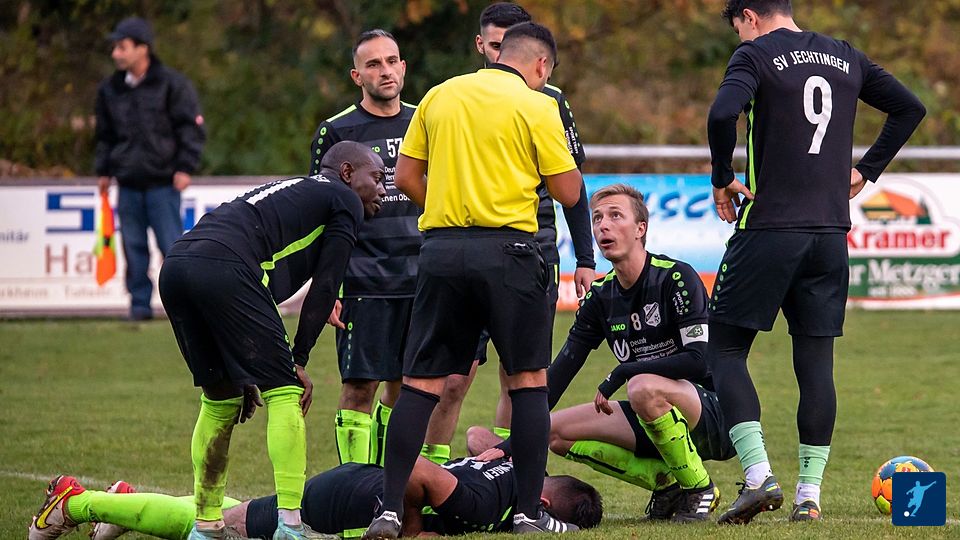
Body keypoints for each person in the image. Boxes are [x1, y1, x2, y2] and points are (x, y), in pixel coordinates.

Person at [706, 0, 926, 524]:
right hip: (829, 234)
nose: (741, 39)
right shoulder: (845, 55)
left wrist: (721, 176)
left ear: (750, 16)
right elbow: (910, 108)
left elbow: (721, 114)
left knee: (726, 348)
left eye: (739, 29)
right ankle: (809, 496)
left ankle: (759, 477)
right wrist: (868, 170)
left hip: (768, 228)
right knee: (815, 362)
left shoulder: (755, 55)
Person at [362, 22, 583, 539]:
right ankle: (527, 514)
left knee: (420, 386)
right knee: (528, 384)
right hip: (510, 254)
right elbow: (569, 192)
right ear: (541, 65)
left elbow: (407, 177)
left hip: (441, 252)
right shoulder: (537, 105)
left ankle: (388, 510)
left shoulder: (439, 96)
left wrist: (446, 207)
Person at [156, 142, 386, 540]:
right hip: (227, 266)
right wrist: (299, 360)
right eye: (377, 178)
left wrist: (243, 368)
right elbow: (325, 286)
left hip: (177, 266)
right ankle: (290, 525)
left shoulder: (299, 190)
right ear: (347, 173)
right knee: (285, 391)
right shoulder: (343, 199)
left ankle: (206, 525)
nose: (382, 189)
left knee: (221, 400)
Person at [469, 184, 734, 523]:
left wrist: (624, 372)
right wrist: (512, 445)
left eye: (615, 216)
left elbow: (698, 361)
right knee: (554, 433)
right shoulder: (601, 296)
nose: (603, 225)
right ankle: (668, 485)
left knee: (642, 386)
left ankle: (699, 488)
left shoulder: (676, 277)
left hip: (713, 413)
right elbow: (557, 377)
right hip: (649, 410)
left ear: (640, 229)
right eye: (597, 218)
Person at [423, 1, 597, 466]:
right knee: (452, 377)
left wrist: (585, 257)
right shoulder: (454, 97)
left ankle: (504, 468)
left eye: (509, 45)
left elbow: (573, 185)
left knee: (519, 372)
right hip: (467, 246)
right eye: (495, 45)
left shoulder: (550, 101)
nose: (502, 54)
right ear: (481, 45)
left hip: (532, 247)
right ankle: (432, 471)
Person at [308, 29, 420, 467]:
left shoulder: (426, 120)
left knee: (409, 387)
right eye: (373, 64)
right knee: (359, 388)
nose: (385, 71)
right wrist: (328, 285)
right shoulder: (336, 130)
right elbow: (320, 212)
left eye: (391, 61)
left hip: (422, 277)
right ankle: (355, 486)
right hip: (363, 279)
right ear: (357, 76)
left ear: (403, 67)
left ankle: (389, 484)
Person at [26, 457, 602, 540]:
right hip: (351, 500)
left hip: (357, 482)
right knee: (216, 530)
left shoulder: (509, 470)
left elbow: (477, 437)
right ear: (545, 506)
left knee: (233, 517)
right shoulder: (484, 504)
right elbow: (417, 472)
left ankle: (125, 500)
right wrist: (408, 527)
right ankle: (76, 502)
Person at [95, 16, 206, 320]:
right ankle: (139, 306)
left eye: (122, 47)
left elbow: (191, 129)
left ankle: (184, 307)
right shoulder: (110, 89)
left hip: (163, 184)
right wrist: (103, 170)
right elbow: (104, 135)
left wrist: (185, 167)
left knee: (172, 248)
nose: (116, 53)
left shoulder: (172, 84)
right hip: (127, 183)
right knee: (133, 248)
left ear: (142, 49)